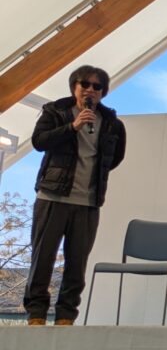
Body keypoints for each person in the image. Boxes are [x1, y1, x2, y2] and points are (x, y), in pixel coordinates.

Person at [24, 65, 126, 326]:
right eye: (85, 84)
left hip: (88, 202)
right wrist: (72, 127)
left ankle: (66, 316)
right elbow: (39, 141)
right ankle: (36, 315)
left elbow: (114, 158)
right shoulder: (55, 111)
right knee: (43, 258)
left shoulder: (112, 123)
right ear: (74, 87)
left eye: (97, 86)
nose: (91, 90)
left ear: (103, 92)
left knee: (77, 263)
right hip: (52, 197)